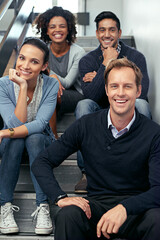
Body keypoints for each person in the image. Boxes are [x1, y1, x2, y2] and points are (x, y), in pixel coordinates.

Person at [32, 58, 160, 240]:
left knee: (158, 219)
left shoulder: (154, 133)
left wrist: (125, 208)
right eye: (114, 86)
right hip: (96, 208)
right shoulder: (85, 125)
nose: (120, 93)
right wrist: (60, 197)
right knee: (68, 216)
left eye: (128, 86)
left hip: (137, 209)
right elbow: (41, 162)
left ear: (138, 91)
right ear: (106, 90)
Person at [75, 11, 152, 193]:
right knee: (83, 105)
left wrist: (100, 78)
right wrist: (105, 65)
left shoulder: (136, 57)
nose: (107, 34)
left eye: (112, 30)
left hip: (128, 109)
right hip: (102, 111)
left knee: (142, 104)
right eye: (102, 30)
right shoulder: (87, 60)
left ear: (119, 32)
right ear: (96, 33)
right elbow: (91, 96)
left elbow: (141, 92)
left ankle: (145, 167)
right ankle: (87, 172)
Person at [0, 37, 59, 235]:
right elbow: (14, 125)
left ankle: (43, 206)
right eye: (22, 58)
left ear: (44, 66)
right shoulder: (3, 85)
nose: (25, 65)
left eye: (34, 61)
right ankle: (5, 205)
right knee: (15, 138)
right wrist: (23, 87)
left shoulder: (50, 84)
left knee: (33, 136)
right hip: (11, 146)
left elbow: (41, 124)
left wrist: (5, 132)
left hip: (41, 144)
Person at [34, 6, 85, 139]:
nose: (57, 30)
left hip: (75, 94)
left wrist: (52, 74)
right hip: (51, 93)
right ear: (47, 30)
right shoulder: (43, 50)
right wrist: (52, 78)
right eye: (52, 27)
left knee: (50, 90)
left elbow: (68, 83)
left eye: (62, 26)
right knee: (48, 90)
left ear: (68, 29)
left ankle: (53, 137)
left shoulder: (78, 52)